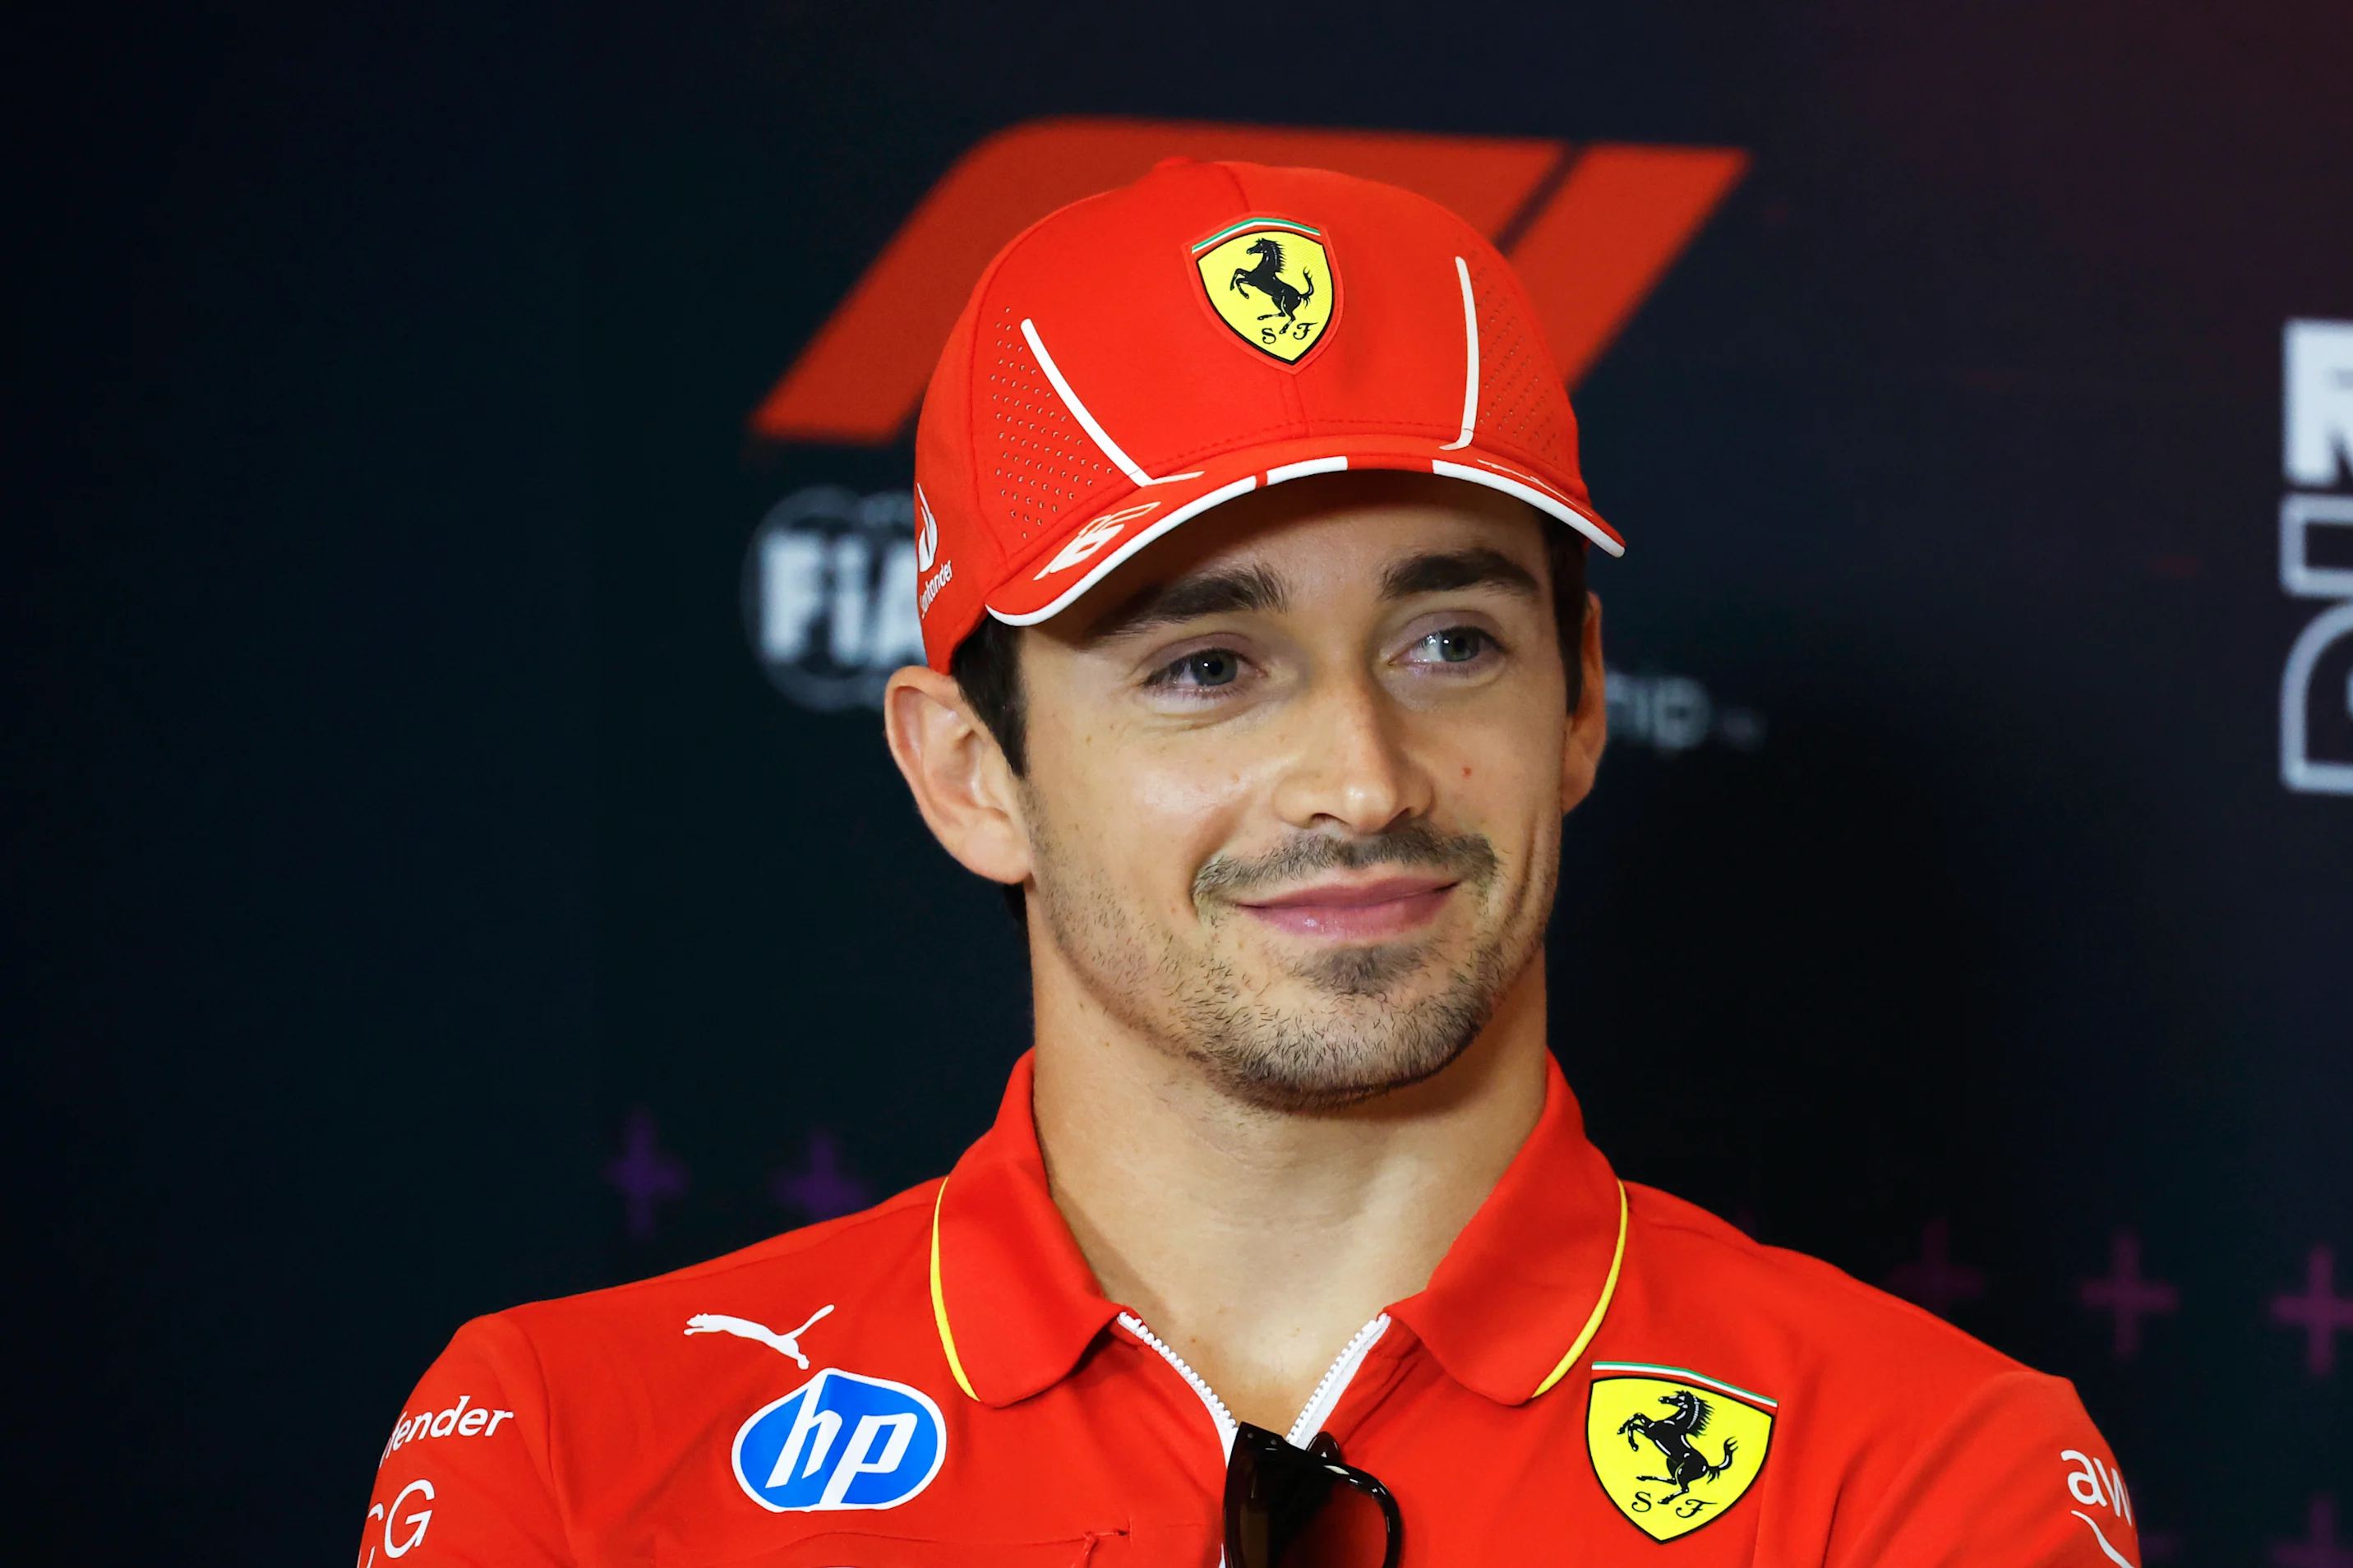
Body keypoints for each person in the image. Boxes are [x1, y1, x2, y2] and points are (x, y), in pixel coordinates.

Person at [358, 158, 2143, 1566]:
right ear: (971, 773)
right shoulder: (572, 1456)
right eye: (1207, 669)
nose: (1362, 779)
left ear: (1582, 701)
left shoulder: (1921, 1478)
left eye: (1449, 643)